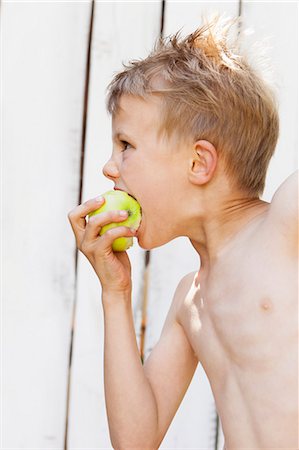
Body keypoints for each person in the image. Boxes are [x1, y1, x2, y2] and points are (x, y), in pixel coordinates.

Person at [68, 15, 298, 449]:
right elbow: (136, 440)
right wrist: (115, 295)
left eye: (126, 145)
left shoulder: (286, 226)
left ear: (198, 163)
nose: (108, 167)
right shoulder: (189, 301)